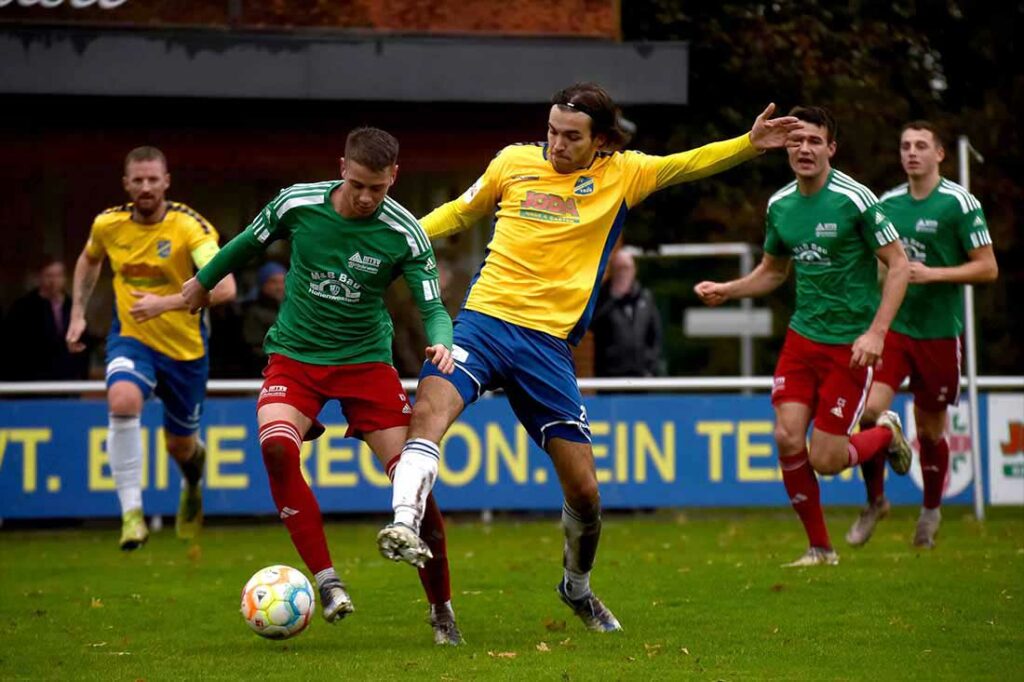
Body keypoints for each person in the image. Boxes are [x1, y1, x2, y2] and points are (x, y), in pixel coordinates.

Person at [378, 82, 800, 632]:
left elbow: (688, 164)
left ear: (601, 141)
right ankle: (404, 523)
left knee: (584, 491)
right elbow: (458, 214)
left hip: (547, 347)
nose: (556, 144)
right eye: (552, 131)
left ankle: (575, 587)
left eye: (571, 137)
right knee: (429, 410)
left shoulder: (625, 174)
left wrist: (748, 143)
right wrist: (396, 239)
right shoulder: (512, 162)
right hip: (482, 323)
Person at [181, 127, 463, 644]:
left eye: (377, 188)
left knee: (413, 482)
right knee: (276, 448)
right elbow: (245, 243)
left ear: (393, 178)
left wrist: (440, 341)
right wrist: (202, 283)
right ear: (342, 167)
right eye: (357, 184)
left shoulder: (404, 233)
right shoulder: (298, 204)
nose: (366, 197)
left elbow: (431, 308)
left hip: (364, 364)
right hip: (295, 357)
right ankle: (327, 581)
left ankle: (441, 607)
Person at [694, 106, 915, 567]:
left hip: (851, 346)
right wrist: (728, 290)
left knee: (827, 459)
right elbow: (773, 272)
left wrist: (877, 333)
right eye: (796, 141)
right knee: (785, 435)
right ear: (785, 148)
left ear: (831, 147)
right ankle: (821, 549)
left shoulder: (855, 199)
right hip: (803, 339)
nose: (804, 149)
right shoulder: (780, 206)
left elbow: (899, 265)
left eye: (814, 141)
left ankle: (887, 432)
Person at [66, 146, 238, 550]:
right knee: (122, 400)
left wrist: (164, 303)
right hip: (132, 337)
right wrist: (77, 312)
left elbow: (225, 287)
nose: (146, 187)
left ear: (166, 182)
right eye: (138, 180)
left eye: (152, 179)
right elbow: (89, 261)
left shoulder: (189, 227)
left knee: (179, 446)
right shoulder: (108, 225)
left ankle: (193, 477)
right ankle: (131, 515)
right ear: (127, 184)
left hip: (185, 349)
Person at [845, 121, 998, 549]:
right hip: (893, 328)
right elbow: (876, 263)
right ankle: (875, 501)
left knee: (930, 432)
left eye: (920, 146)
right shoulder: (887, 203)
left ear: (939, 155)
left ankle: (931, 510)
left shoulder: (959, 203)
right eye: (905, 146)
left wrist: (935, 274)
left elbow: (988, 267)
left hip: (938, 333)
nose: (911, 153)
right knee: (870, 413)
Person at [3, 257, 90, 381]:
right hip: (32, 380)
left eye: (59, 275)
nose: (54, 281)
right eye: (49, 275)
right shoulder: (23, 307)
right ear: (39, 278)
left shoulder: (73, 306)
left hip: (67, 379)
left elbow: (84, 343)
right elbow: (13, 346)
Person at [590, 248, 662, 377]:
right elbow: (591, 325)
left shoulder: (644, 298)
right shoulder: (602, 297)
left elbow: (655, 335)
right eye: (619, 268)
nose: (623, 273)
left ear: (634, 270)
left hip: (642, 375)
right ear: (612, 271)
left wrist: (650, 366)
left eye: (626, 268)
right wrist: (613, 298)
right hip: (610, 376)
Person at [241, 261, 286, 374]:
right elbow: (253, 347)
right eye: (274, 282)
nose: (279, 287)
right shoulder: (253, 312)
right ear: (263, 285)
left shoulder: (293, 310)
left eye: (283, 282)